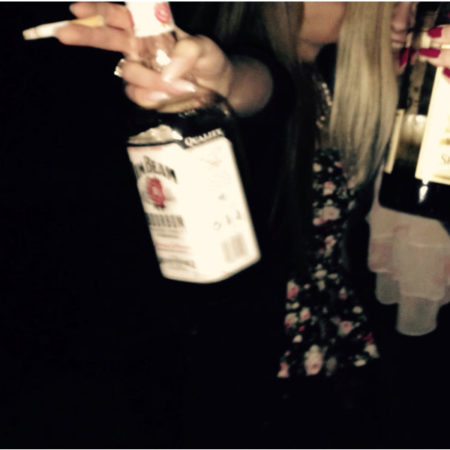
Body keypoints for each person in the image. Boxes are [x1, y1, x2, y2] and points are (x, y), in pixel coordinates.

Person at [55, 1, 450, 446]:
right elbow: (256, 85)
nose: (395, 17)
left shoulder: (334, 78)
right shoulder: (258, 65)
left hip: (340, 340)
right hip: (253, 362)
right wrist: (218, 90)